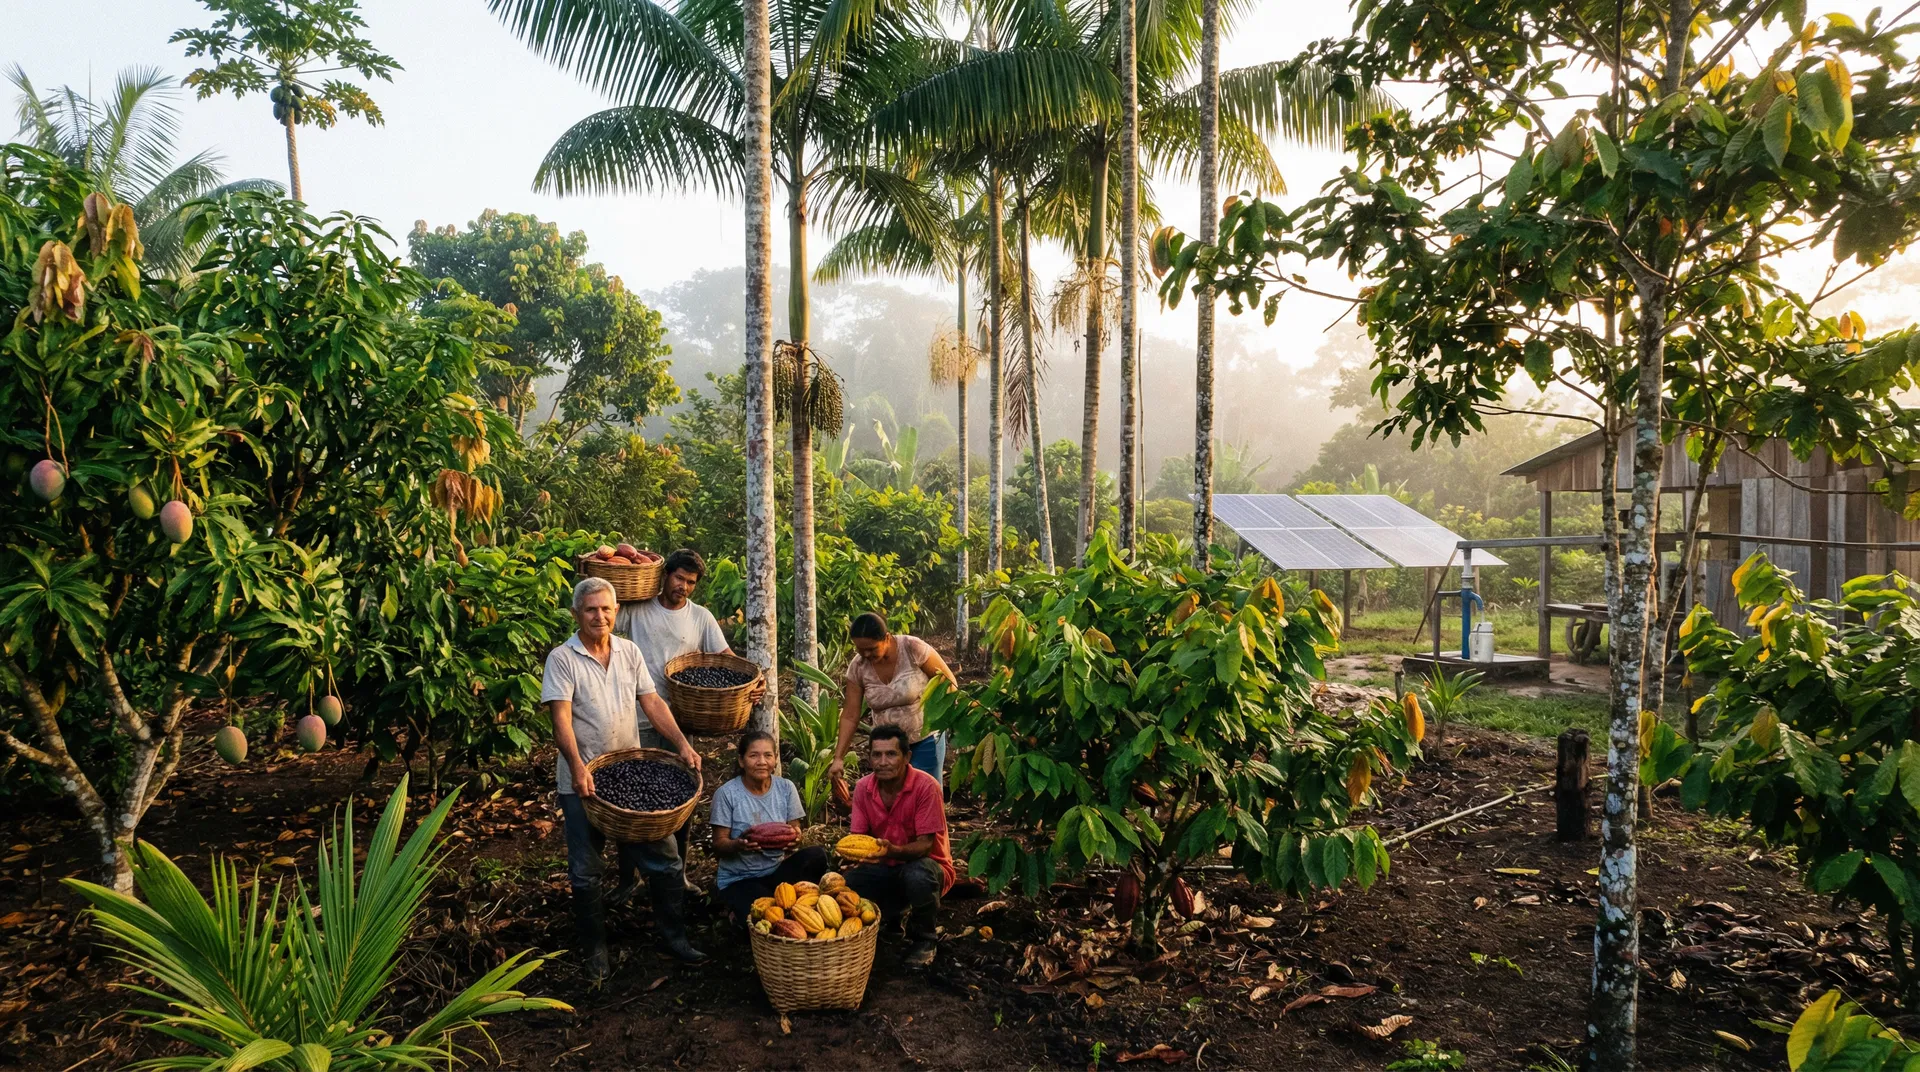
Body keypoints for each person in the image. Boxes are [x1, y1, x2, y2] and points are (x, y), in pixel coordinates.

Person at [541, 576, 707, 981]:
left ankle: (674, 937)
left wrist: (681, 744)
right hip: (583, 780)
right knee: (585, 870)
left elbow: (651, 701)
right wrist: (578, 766)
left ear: (616, 612)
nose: (600, 616)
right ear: (576, 614)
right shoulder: (562, 659)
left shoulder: (629, 652)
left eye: (606, 609)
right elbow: (560, 718)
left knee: (667, 862)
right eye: (591, 609)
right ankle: (595, 951)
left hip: (628, 770)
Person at [617, 548, 763, 886]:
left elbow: (727, 659)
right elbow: (607, 613)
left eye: (691, 582)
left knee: (679, 796)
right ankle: (628, 879)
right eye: (679, 578)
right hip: (637, 717)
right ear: (665, 575)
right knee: (631, 798)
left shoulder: (700, 618)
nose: (684, 586)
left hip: (680, 721)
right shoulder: (639, 609)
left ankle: (677, 875)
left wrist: (754, 682)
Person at [842, 723, 954, 968]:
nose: (883, 762)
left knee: (918, 874)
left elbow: (925, 846)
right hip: (885, 865)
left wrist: (891, 850)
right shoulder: (863, 788)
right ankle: (890, 918)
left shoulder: (926, 787)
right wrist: (853, 858)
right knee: (847, 883)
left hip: (928, 867)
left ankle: (924, 939)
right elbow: (858, 840)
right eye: (876, 754)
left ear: (907, 757)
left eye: (891, 754)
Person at [709, 729, 829, 924]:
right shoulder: (727, 794)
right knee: (767, 917)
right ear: (741, 761)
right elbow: (718, 845)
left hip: (776, 871)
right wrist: (738, 845)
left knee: (816, 855)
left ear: (775, 760)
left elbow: (794, 832)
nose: (762, 761)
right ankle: (734, 906)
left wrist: (795, 841)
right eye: (753, 755)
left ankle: (782, 900)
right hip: (741, 878)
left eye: (768, 755)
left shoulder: (786, 788)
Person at [828, 613, 959, 789]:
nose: (866, 654)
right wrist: (838, 758)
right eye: (860, 650)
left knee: (926, 793)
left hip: (924, 738)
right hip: (886, 748)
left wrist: (950, 720)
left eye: (872, 649)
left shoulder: (913, 648)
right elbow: (850, 715)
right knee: (892, 800)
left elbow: (948, 684)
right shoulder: (858, 667)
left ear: (887, 638)